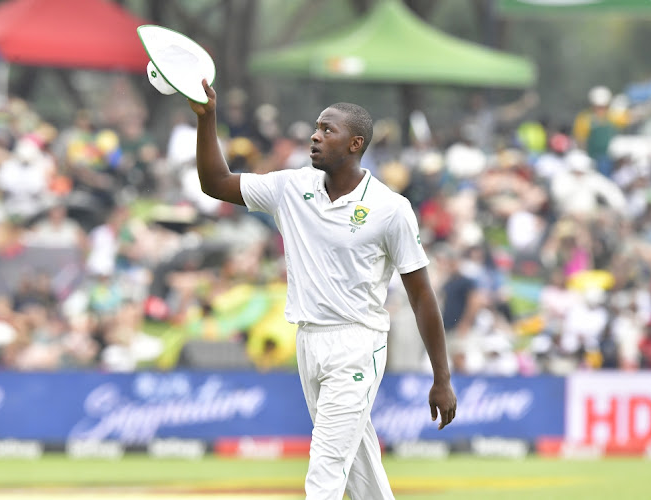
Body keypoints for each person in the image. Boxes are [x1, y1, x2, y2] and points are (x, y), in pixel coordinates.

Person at [187, 79, 456, 500]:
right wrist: (207, 118)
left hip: (357, 343)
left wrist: (441, 377)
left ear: (355, 143)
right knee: (361, 474)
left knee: (326, 468)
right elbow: (215, 182)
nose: (315, 135)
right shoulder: (291, 187)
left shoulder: (390, 209)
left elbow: (422, 296)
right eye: (316, 127)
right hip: (309, 340)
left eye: (327, 130)